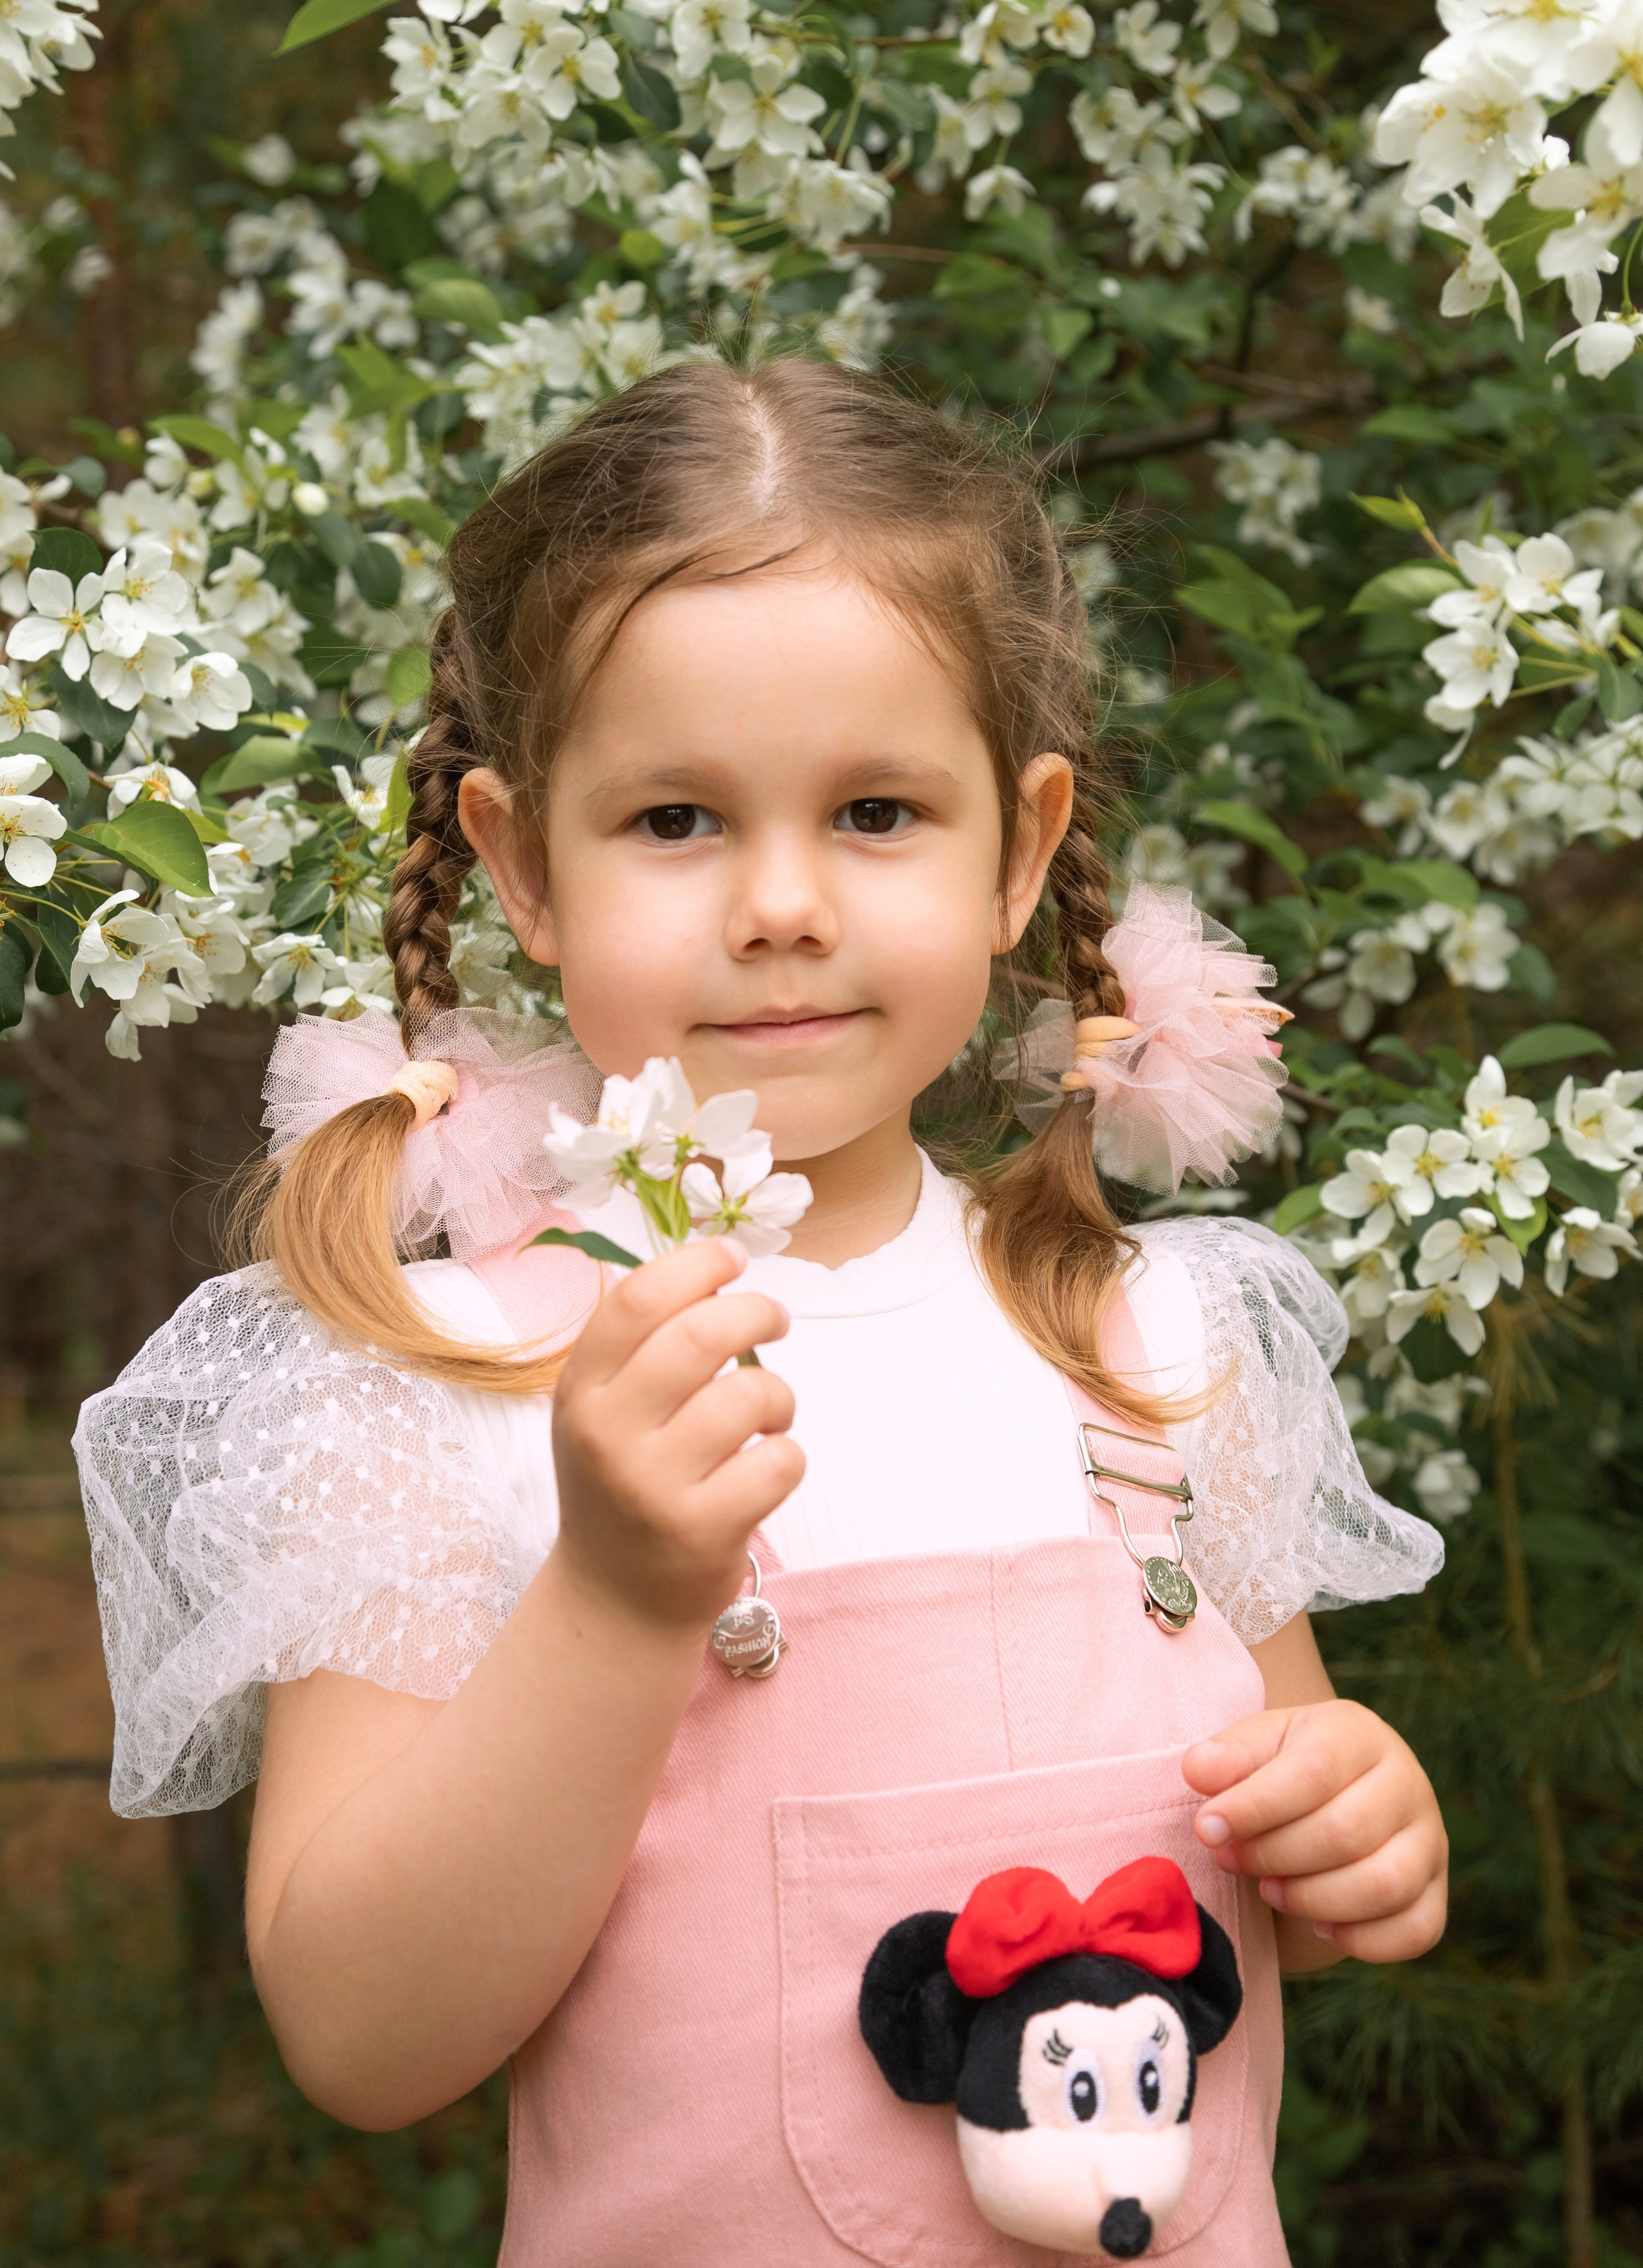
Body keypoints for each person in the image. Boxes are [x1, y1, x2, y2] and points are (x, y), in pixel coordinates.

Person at [76, 360, 1447, 2265]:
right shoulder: (450, 1382)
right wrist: (618, 1600)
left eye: (878, 808)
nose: (784, 902)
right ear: (522, 865)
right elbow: (362, 2032)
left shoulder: (1151, 1344)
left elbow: (1264, 1861)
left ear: (1021, 850)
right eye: (675, 820)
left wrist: (1356, 1820)